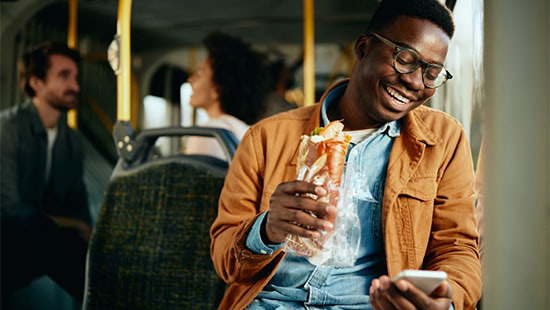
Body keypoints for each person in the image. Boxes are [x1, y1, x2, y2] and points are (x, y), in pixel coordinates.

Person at [209, 0, 481, 309]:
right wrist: (266, 229)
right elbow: (224, 258)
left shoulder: (444, 141)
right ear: (364, 48)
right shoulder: (265, 138)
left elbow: (457, 248)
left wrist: (448, 300)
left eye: (431, 73)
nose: (414, 81)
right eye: (405, 58)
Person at [0, 42, 91, 303]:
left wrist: (88, 233)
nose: (75, 85)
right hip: (10, 237)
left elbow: (77, 201)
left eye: (75, 76)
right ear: (36, 82)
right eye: (64, 76)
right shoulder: (8, 127)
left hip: (41, 240)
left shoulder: (72, 141)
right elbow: (8, 208)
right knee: (32, 223)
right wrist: (75, 225)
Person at [184, 31, 270, 161]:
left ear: (218, 89)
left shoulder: (209, 133)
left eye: (199, 74)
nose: (190, 80)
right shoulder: (244, 130)